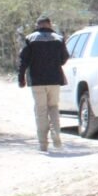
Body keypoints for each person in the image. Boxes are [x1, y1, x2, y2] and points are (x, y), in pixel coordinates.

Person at [17, 15, 70, 152]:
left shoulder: (30, 38)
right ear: (49, 24)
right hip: (54, 80)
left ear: (38, 24)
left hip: (37, 81)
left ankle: (43, 144)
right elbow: (64, 58)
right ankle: (56, 134)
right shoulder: (58, 38)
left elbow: (24, 60)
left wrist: (21, 77)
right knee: (53, 107)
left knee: (41, 110)